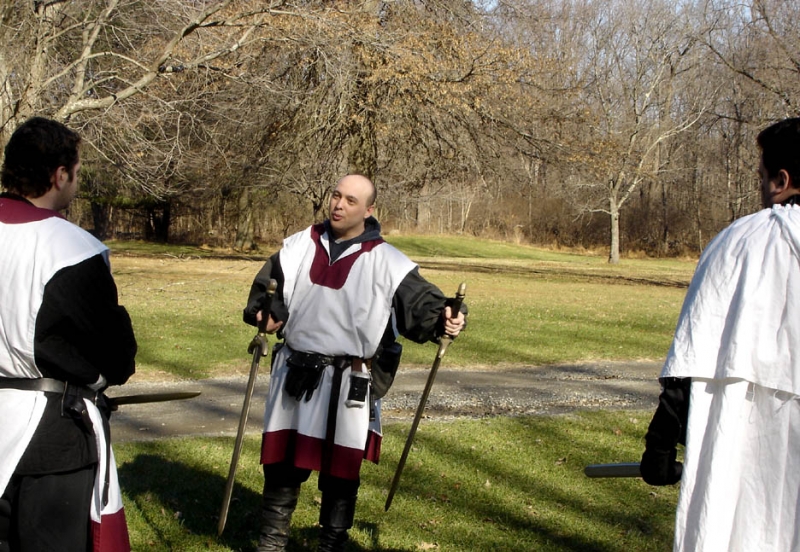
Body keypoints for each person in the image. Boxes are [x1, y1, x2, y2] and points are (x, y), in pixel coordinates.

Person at [243, 174, 467, 552]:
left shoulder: (388, 261)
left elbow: (424, 308)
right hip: (296, 372)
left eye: (350, 200)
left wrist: (448, 317)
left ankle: (331, 545)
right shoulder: (298, 246)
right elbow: (267, 295)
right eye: (335, 196)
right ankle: (271, 545)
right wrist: (265, 315)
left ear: (368, 209)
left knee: (341, 474)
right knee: (282, 467)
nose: (339, 205)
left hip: (349, 381)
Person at [640, 117, 800, 551]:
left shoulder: (742, 240)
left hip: (744, 452)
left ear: (782, 181)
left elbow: (694, 349)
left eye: (762, 177)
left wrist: (661, 442)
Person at [0, 117, 137, 551]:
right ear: (59, 175)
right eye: (76, 172)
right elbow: (116, 359)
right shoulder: (71, 248)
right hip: (51, 439)